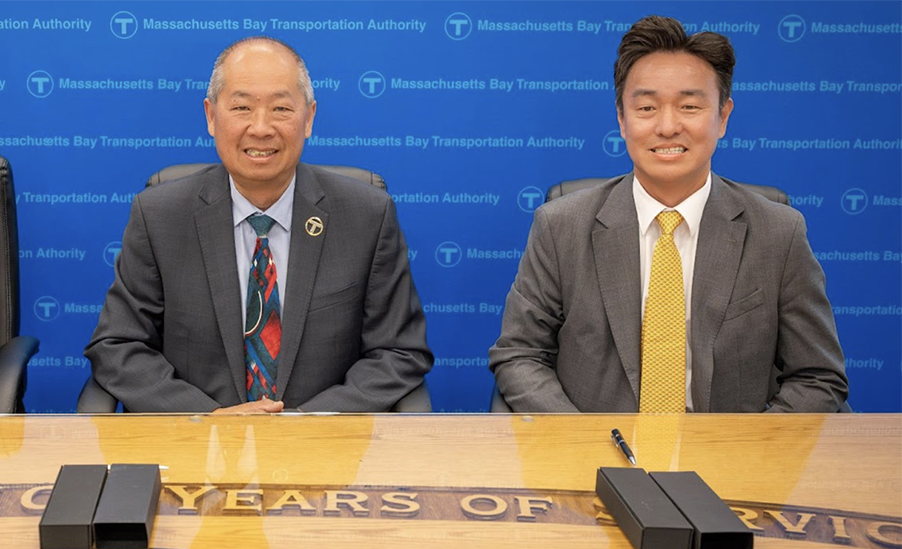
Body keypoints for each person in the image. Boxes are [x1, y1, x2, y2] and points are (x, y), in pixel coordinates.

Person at [489, 15, 846, 413]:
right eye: (646, 107)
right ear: (622, 119)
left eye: (690, 106)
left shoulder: (778, 233)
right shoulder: (560, 226)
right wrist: (583, 443)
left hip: (729, 464)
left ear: (723, 117)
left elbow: (817, 376)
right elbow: (520, 355)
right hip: (596, 460)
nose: (668, 126)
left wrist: (745, 456)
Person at [84, 37, 431, 413]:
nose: (261, 127)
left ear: (309, 118)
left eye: (281, 108)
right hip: (200, 447)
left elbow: (399, 351)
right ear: (212, 117)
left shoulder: (367, 215)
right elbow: (118, 345)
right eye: (242, 107)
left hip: (325, 448)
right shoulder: (159, 215)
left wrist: (308, 422)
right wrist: (210, 420)